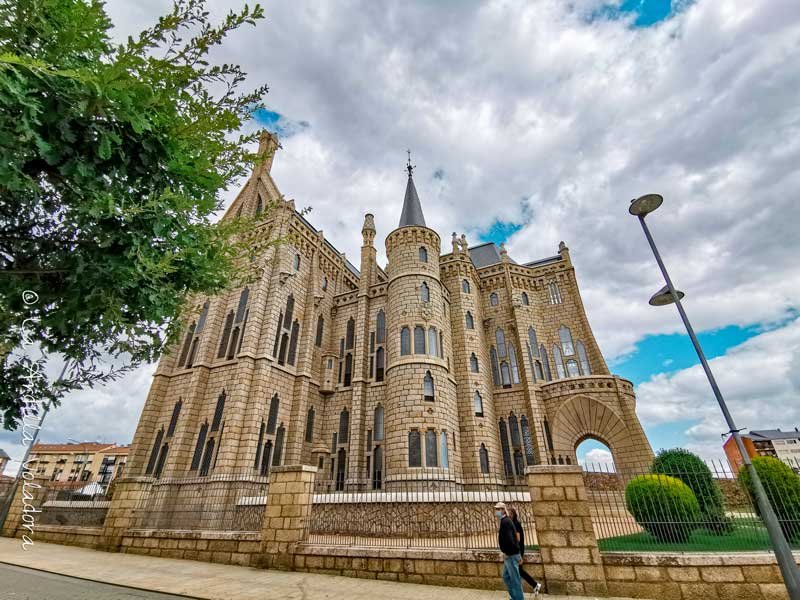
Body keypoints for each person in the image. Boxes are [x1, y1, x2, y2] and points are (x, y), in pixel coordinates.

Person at [507, 506, 542, 599]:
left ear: (514, 514)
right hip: (516, 550)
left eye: (511, 513)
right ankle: (534, 585)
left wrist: (519, 554)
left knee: (516, 572)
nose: (509, 515)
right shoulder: (512, 523)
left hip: (518, 550)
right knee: (518, 571)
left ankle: (533, 586)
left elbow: (518, 539)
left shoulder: (515, 524)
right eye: (508, 513)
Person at [494, 501, 524, 600]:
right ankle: (514, 597)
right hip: (511, 554)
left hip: (510, 555)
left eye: (498, 509)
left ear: (503, 510)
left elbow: (510, 539)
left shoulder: (505, 522)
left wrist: (507, 552)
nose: (496, 511)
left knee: (515, 579)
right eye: (496, 509)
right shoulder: (505, 521)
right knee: (506, 577)